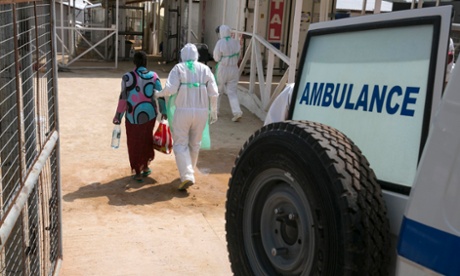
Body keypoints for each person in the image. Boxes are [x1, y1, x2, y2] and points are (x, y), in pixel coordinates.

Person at [155, 43, 218, 191]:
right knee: (195, 144)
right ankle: (189, 171)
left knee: (180, 144)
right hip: (202, 112)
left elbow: (170, 89)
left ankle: (187, 174)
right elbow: (214, 93)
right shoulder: (205, 69)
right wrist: (213, 111)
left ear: (182, 55)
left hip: (183, 111)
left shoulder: (178, 68)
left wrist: (158, 93)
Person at [113, 51, 167, 182]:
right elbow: (160, 95)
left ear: (134, 62)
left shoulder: (127, 77)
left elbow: (123, 98)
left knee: (134, 142)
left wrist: (118, 116)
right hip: (149, 115)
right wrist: (164, 111)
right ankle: (145, 167)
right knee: (146, 139)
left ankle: (137, 171)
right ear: (146, 62)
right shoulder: (154, 76)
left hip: (132, 115)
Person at [213, 25, 243, 122]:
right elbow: (239, 56)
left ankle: (215, 111)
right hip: (234, 69)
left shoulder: (220, 43)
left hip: (223, 68)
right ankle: (237, 112)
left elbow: (216, 57)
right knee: (232, 92)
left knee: (218, 90)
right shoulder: (235, 42)